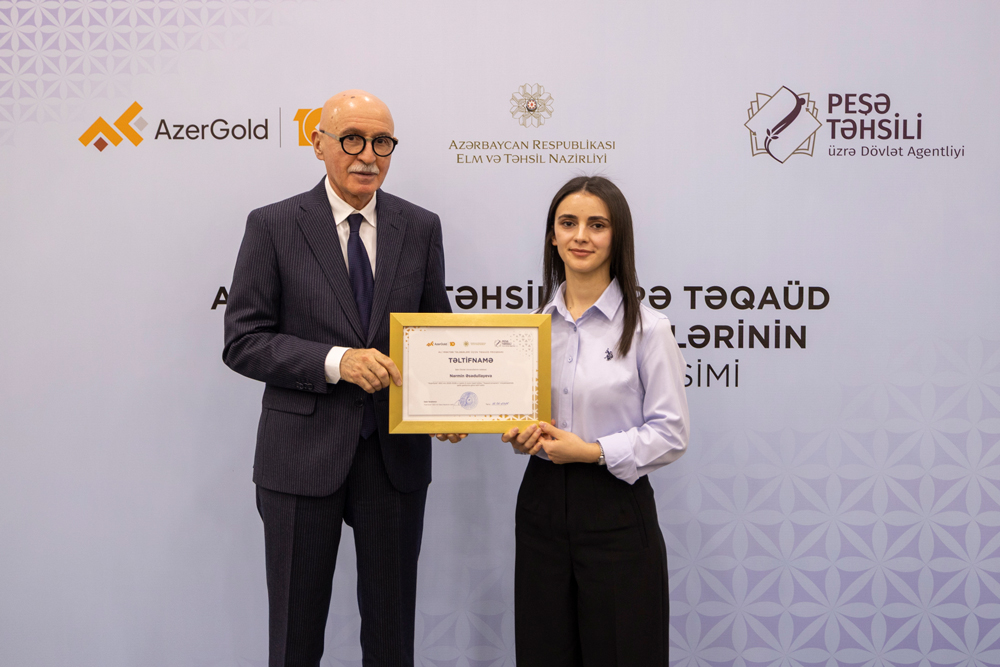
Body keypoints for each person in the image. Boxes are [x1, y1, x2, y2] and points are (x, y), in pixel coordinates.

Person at [223, 89, 462, 667]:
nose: (368, 156)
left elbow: (436, 332)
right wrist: (337, 361)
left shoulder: (419, 227)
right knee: (295, 638)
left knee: (391, 638)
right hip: (300, 459)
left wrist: (448, 403)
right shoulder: (274, 224)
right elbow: (244, 340)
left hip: (394, 459)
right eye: (352, 139)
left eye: (382, 142)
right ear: (319, 143)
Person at [501, 176, 690, 666]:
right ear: (553, 236)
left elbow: (671, 433)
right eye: (568, 223)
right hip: (540, 505)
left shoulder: (649, 328)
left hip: (616, 509)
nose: (580, 236)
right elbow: (520, 414)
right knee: (543, 653)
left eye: (597, 225)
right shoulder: (530, 328)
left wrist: (591, 452)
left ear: (617, 235)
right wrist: (521, 435)